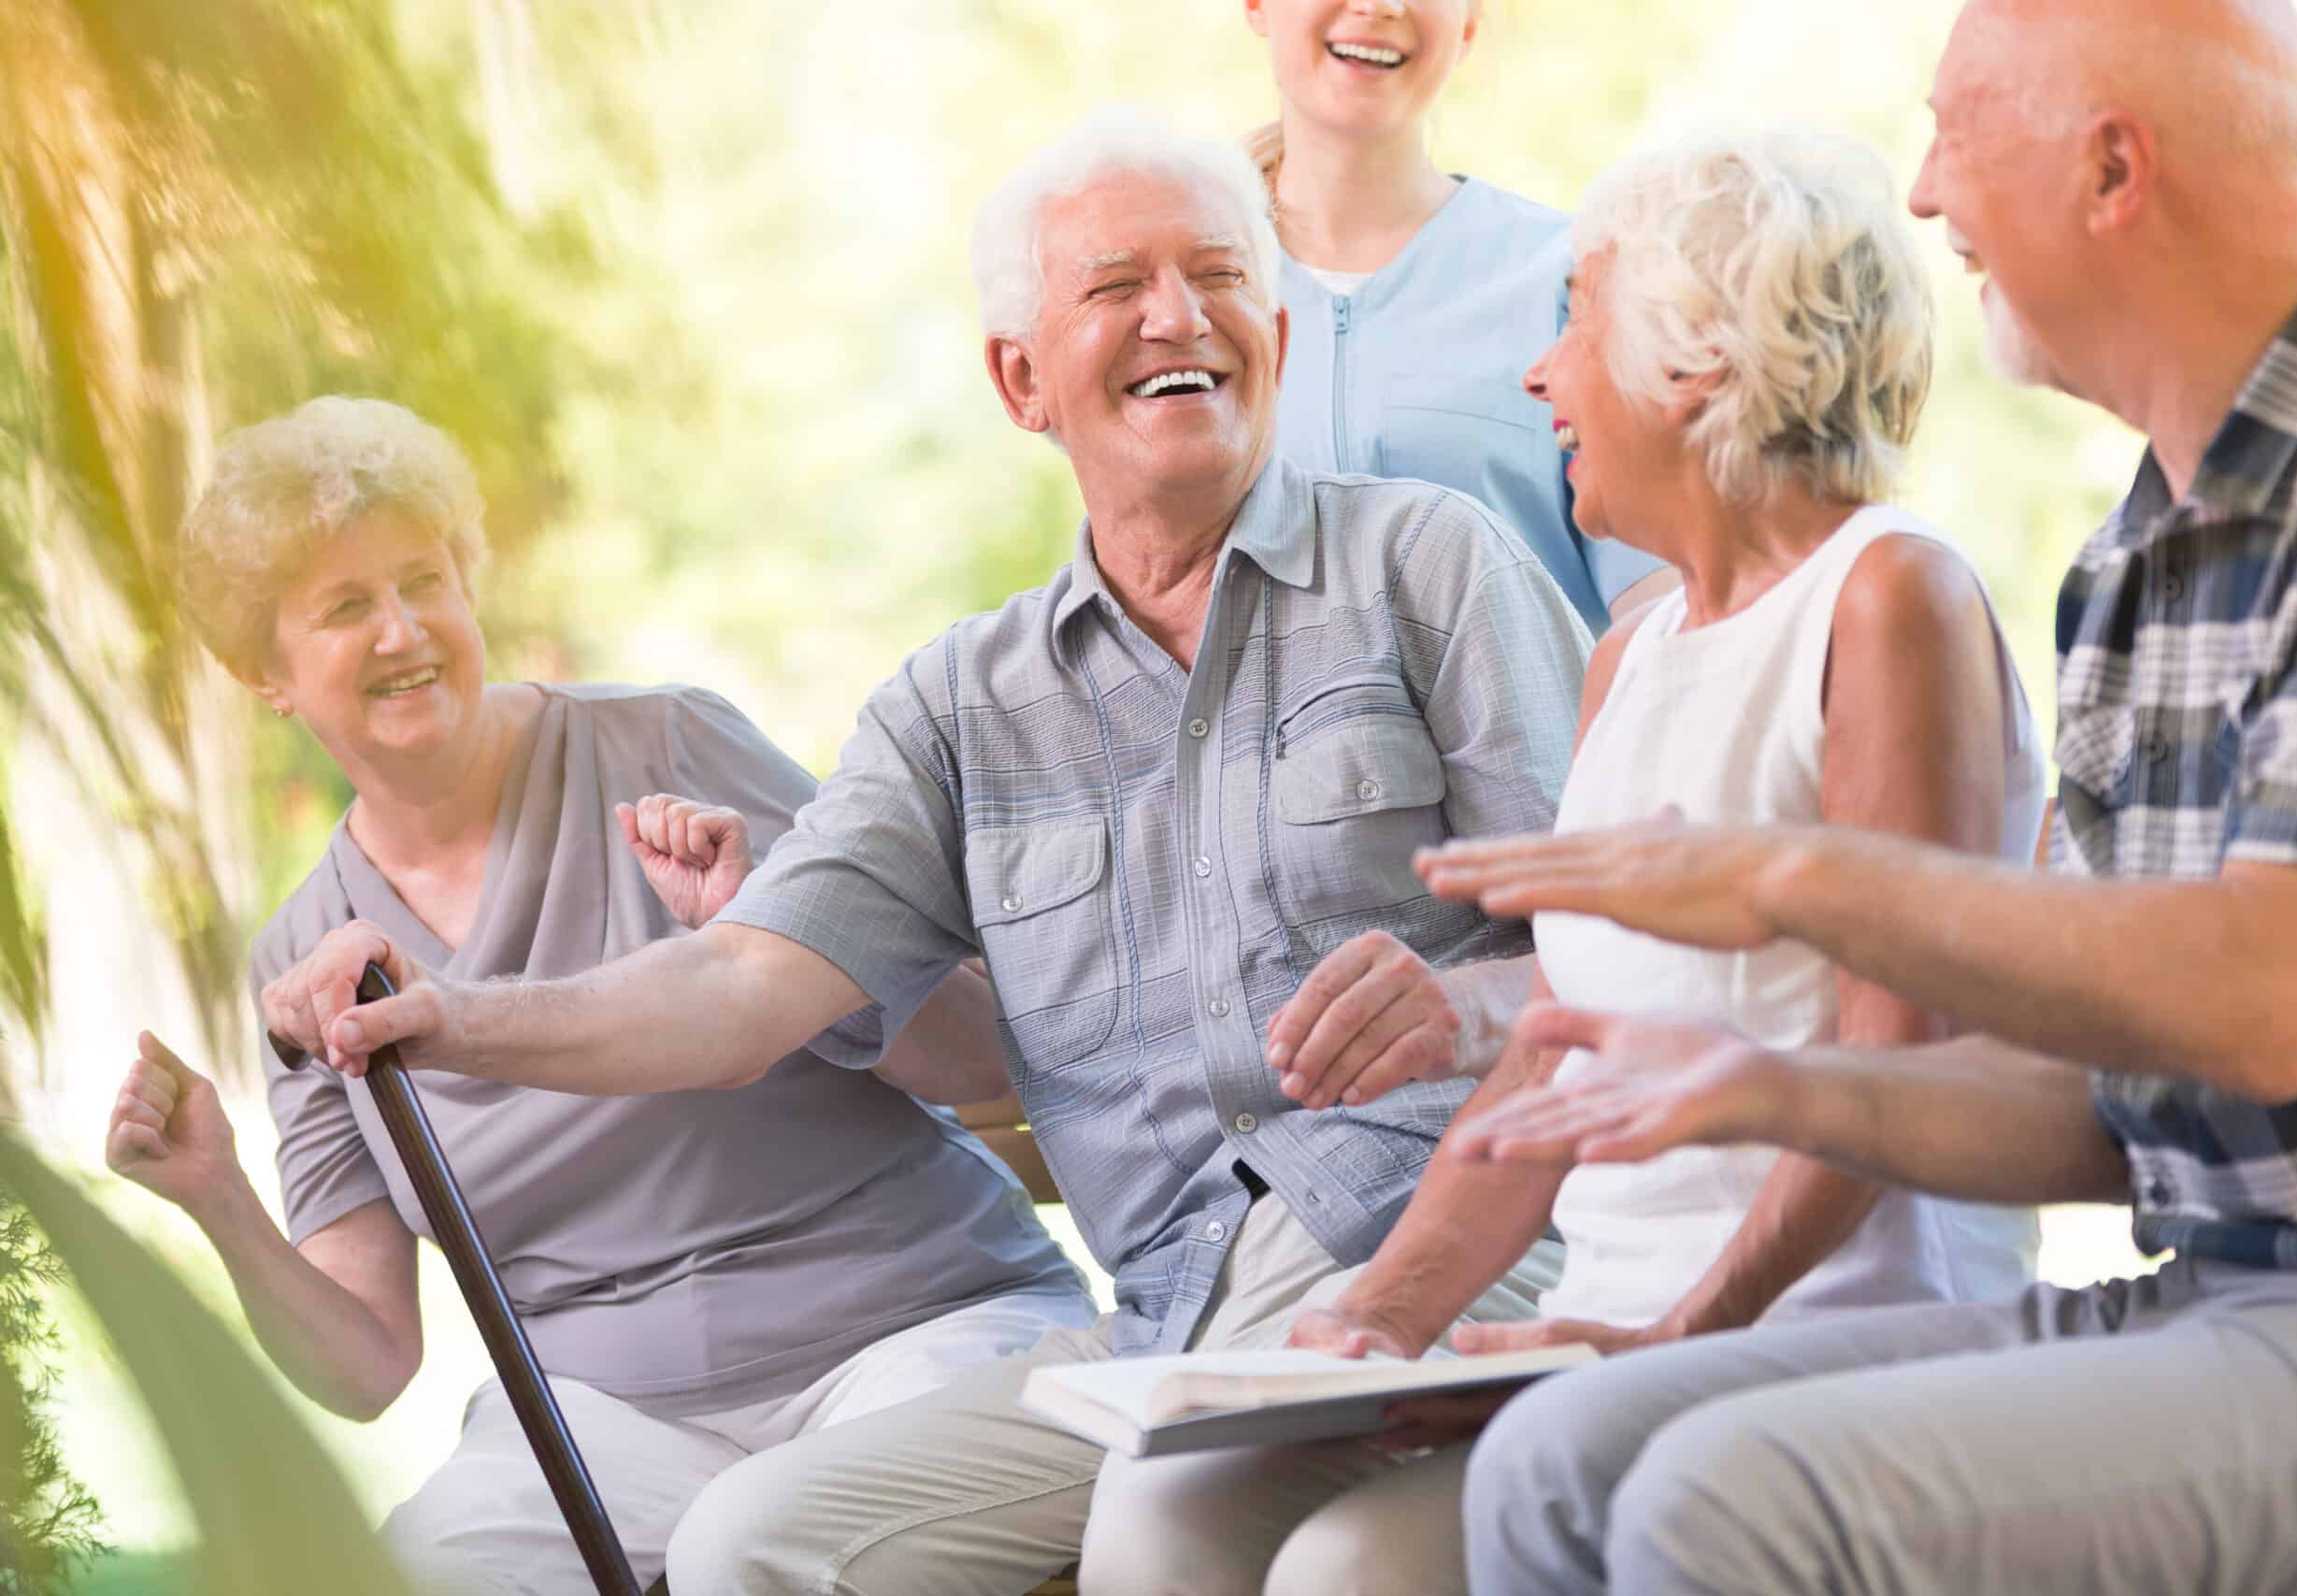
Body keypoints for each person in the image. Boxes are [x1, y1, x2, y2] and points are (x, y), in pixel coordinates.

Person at [256, 112, 1592, 1596]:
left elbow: (1621, 954)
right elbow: (734, 990)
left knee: (1174, 1532)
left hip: (1453, 1233)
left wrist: (1469, 1005)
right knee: (754, 1541)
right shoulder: (960, 706)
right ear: (1021, 379)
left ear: (1274, 331)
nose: (1177, 315)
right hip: (1159, 1324)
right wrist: (457, 1015)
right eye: (1115, 287)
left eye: (1218, 275)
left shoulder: (1429, 563)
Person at [1415, 3, 2297, 1592]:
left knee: (1723, 1503)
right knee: (1554, 1459)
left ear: (2111, 167)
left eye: (1959, 130)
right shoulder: (2133, 560)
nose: (1925, 197)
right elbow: (2101, 1111)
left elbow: (2270, 1002)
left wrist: (1794, 879)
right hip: (2207, 1282)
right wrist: (1765, 1085)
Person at [1087, 123, 2046, 1596]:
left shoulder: (1888, 594)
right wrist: (1382, 1319)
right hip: (1610, 1338)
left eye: (1576, 323)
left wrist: (1670, 1338)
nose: (1541, 377)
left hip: (1822, 1338)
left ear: (1699, 361)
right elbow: (1549, 1056)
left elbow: (1892, 1063)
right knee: (1174, 1516)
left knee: (1355, 1569)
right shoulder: (1632, 653)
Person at [102, 395, 1092, 1594]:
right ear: (265, 671)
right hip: (615, 1430)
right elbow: (365, 1363)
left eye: (427, 579)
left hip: (911, 1335)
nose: (406, 628)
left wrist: (769, 928)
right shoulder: (304, 957)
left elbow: (982, 1054)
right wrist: (216, 1195)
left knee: (762, 1553)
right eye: (348, 605)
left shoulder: (666, 748)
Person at [1243, 0, 1668, 627]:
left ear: (1469, 23)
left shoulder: (1573, 281)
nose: (1377, 7)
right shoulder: (1183, 296)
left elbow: (1657, 608)